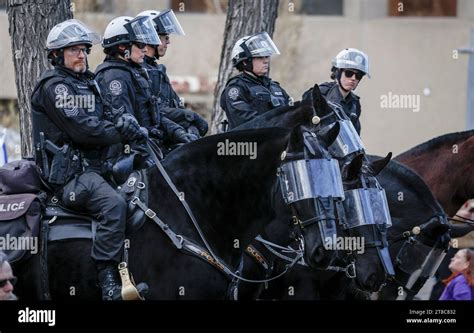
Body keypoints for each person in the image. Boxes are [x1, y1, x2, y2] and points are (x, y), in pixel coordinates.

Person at [30, 19, 146, 300]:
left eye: (84, 49)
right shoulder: (55, 87)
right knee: (114, 205)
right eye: (74, 50)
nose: (82, 54)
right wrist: (119, 131)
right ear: (57, 55)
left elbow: (108, 114)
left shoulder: (88, 82)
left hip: (98, 171)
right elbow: (83, 130)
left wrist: (126, 122)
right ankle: (108, 283)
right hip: (69, 180)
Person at [95, 15, 190, 152]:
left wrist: (178, 132)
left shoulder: (133, 72)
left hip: (149, 144)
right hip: (128, 153)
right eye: (140, 44)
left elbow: (152, 115)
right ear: (122, 47)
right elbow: (126, 126)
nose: (145, 49)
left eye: (146, 44)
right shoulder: (114, 77)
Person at [137, 9, 208, 147]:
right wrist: (189, 117)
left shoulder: (157, 70)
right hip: (152, 143)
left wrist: (190, 128)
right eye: (165, 37)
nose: (168, 42)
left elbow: (174, 104)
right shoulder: (139, 71)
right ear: (152, 38)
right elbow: (154, 111)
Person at [220, 31, 290, 130]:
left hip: (278, 142)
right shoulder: (236, 88)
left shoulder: (274, 87)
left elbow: (290, 113)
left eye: (266, 56)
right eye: (260, 57)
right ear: (245, 61)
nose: (266, 61)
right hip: (247, 143)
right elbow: (248, 122)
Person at [306, 48, 369, 135]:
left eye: (358, 75)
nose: (353, 78)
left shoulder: (355, 103)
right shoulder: (320, 93)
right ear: (338, 73)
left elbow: (355, 136)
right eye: (349, 73)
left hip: (341, 148)